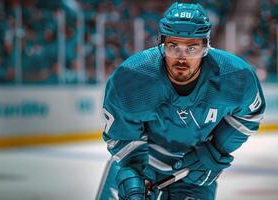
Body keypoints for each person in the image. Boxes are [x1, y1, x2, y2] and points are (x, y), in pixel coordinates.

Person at [96, 2, 266, 200]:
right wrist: (132, 175)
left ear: (205, 46)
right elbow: (122, 137)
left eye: (191, 47)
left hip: (192, 174)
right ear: (162, 43)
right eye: (173, 46)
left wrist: (215, 151)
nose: (181, 58)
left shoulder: (235, 76)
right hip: (139, 166)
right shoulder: (132, 78)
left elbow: (251, 113)